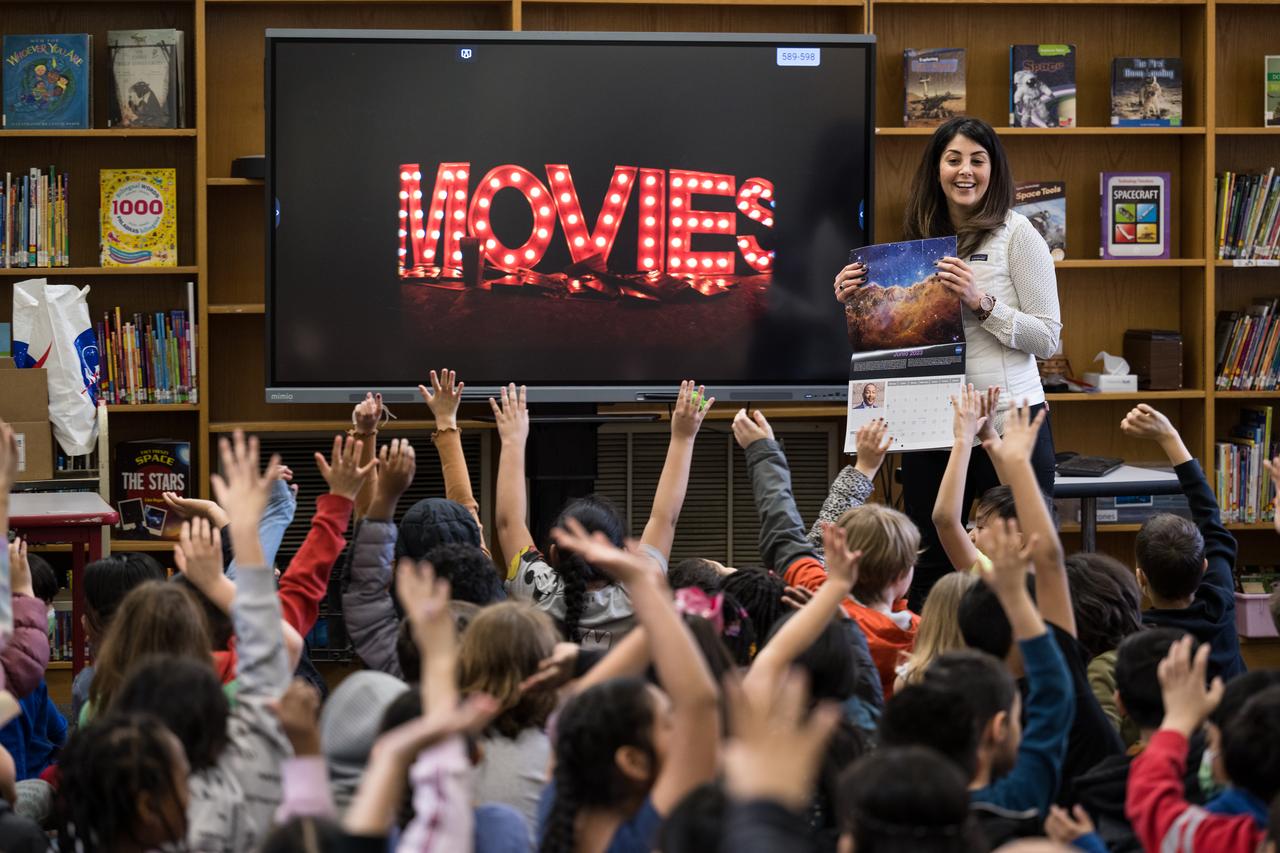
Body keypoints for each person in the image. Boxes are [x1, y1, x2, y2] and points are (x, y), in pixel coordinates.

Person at [834, 115, 1061, 608]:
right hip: (933, 423)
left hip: (1009, 422)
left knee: (1020, 556)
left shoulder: (1019, 235)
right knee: (931, 557)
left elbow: (1047, 338)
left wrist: (983, 303)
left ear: (993, 169)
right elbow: (896, 336)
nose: (965, 171)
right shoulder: (920, 239)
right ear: (936, 169)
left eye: (977, 160)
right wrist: (857, 303)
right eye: (953, 159)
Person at [537, 518, 720, 852]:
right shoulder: (642, 840)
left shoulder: (559, 809)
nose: (678, 725)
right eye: (667, 722)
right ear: (633, 761)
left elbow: (576, 712)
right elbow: (700, 705)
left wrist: (651, 594)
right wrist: (642, 585)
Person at [496, 381, 711, 650]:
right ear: (619, 554)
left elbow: (508, 523)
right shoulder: (642, 595)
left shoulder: (535, 590)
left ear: (552, 554)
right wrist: (684, 437)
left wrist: (512, 439)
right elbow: (663, 518)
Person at [1120, 404, 1246, 680]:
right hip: (1235, 721)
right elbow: (1210, 517)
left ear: (1141, 579)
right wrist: (1170, 436)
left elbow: (1210, 520)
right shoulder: (1219, 604)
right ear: (1203, 567)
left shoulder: (1136, 641)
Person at [1125, 636, 1269, 853]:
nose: (1208, 751)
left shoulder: (1231, 842)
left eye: (1211, 742)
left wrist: (1178, 720)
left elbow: (1152, 804)